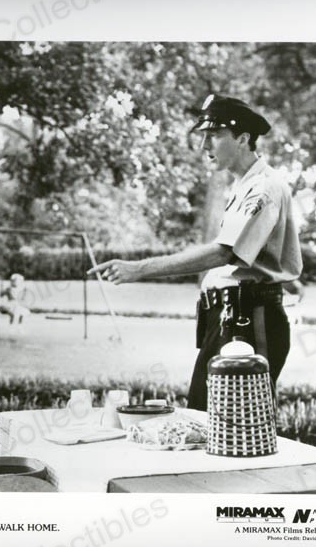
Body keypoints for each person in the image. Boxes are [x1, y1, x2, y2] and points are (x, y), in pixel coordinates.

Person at [89, 94, 302, 410]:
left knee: (233, 423)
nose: (204, 145)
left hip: (248, 320)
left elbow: (223, 253)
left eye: (214, 135)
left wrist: (139, 269)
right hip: (233, 317)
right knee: (208, 417)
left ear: (243, 139)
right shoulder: (245, 185)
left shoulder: (263, 188)